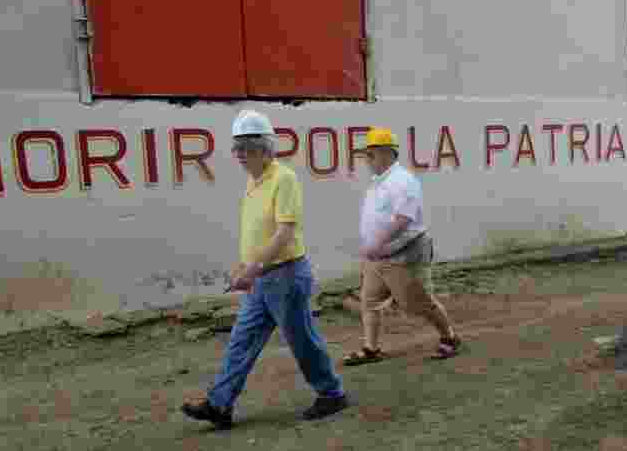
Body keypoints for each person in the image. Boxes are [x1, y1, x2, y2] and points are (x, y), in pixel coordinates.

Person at [181, 110, 348, 429]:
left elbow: (284, 232)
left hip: (285, 275)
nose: (238, 155)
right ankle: (220, 405)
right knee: (241, 340)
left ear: (263, 148)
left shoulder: (284, 179)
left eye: (244, 148)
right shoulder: (254, 182)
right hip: (262, 278)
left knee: (302, 340)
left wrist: (253, 269)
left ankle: (331, 394)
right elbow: (257, 230)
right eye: (236, 149)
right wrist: (246, 268)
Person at [343, 127, 463, 366]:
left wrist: (376, 243)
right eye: (367, 154)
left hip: (402, 255)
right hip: (378, 257)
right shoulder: (379, 182)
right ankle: (371, 348)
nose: (368, 159)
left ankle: (449, 337)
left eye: (371, 154)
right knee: (370, 301)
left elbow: (403, 219)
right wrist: (371, 246)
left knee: (417, 302)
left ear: (387, 153)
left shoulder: (403, 181)